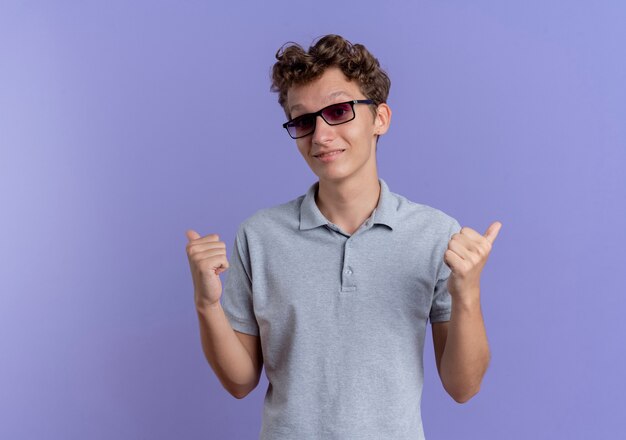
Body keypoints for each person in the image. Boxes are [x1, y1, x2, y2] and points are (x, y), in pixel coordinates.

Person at [185, 34, 502, 439]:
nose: (320, 135)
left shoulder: (436, 234)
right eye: (303, 121)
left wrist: (468, 292)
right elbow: (240, 380)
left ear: (380, 119)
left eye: (338, 111)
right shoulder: (259, 235)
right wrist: (206, 304)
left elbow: (463, 386)